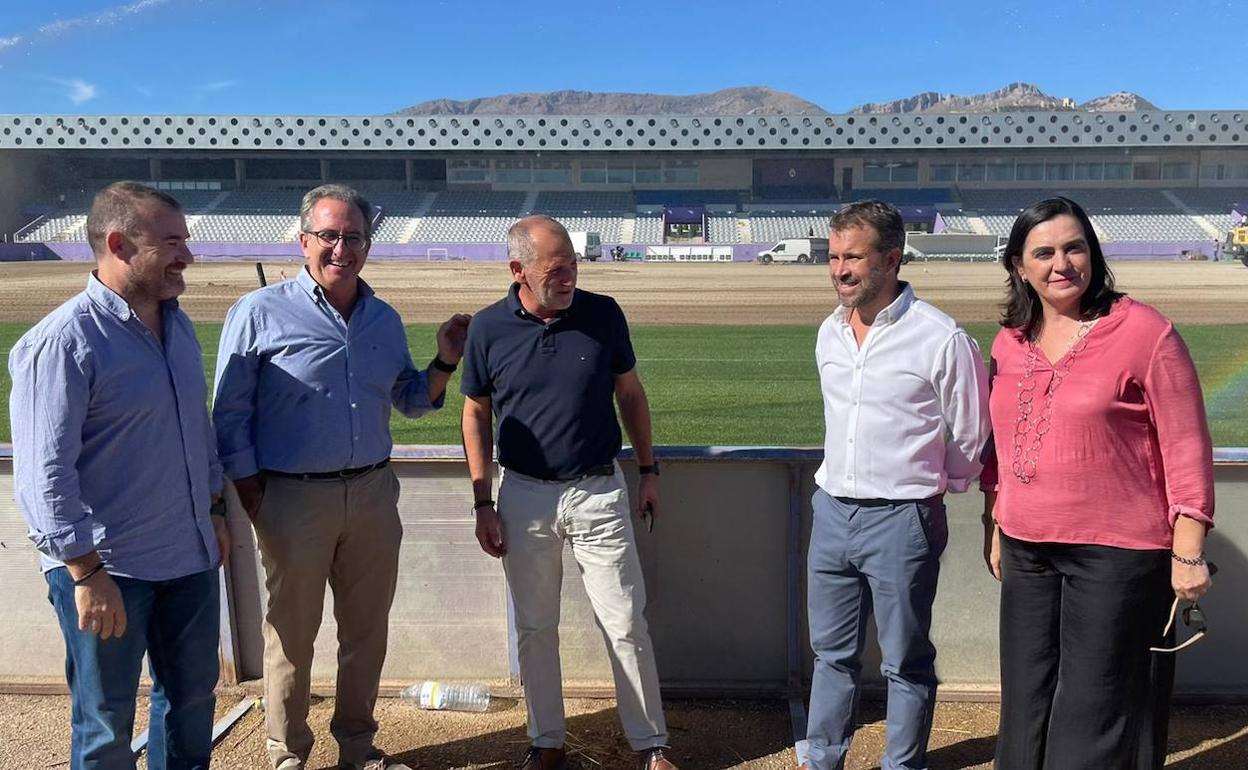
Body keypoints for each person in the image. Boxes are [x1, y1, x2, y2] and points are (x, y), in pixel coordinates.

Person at [212, 183, 470, 770]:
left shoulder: (383, 317)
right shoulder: (258, 312)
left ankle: (357, 746)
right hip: (291, 499)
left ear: (367, 244)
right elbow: (229, 415)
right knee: (291, 638)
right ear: (303, 241)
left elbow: (410, 400)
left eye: (352, 236)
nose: (340, 248)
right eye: (328, 235)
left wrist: (444, 360)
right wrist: (254, 494)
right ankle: (287, 751)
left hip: (374, 496)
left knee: (366, 635)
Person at [981, 196, 1214, 770]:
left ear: (1093, 253)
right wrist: (996, 523)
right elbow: (1001, 447)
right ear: (1018, 265)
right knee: (1027, 698)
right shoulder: (1009, 340)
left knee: (1094, 705)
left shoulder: (1144, 332)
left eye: (1074, 247)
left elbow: (1186, 445)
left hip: (1116, 551)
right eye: (1044, 252)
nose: (1062, 263)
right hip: (1027, 546)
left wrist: (1188, 552)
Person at [10, 181, 227, 769]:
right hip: (109, 570)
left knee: (189, 703)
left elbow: (197, 429)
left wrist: (212, 511)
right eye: (172, 242)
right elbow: (42, 476)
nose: (188, 255)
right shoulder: (62, 343)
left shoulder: (178, 326)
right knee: (105, 724)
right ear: (117, 244)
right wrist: (85, 571)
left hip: (189, 560)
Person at [460, 215, 678, 770]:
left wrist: (648, 470)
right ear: (518, 270)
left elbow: (630, 394)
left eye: (574, 267)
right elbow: (475, 413)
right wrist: (483, 501)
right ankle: (548, 742)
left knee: (627, 622)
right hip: (523, 497)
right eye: (556, 270)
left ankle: (652, 746)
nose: (568, 279)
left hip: (599, 491)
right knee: (536, 628)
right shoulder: (487, 329)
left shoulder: (603, 314)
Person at [799, 200, 990, 770]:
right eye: (832, 257)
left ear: (892, 258)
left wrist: (931, 486)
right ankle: (823, 758)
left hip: (903, 518)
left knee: (904, 661)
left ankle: (901, 764)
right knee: (830, 654)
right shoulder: (829, 333)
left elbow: (971, 434)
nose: (839, 270)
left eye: (853, 257)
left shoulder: (941, 337)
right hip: (832, 512)